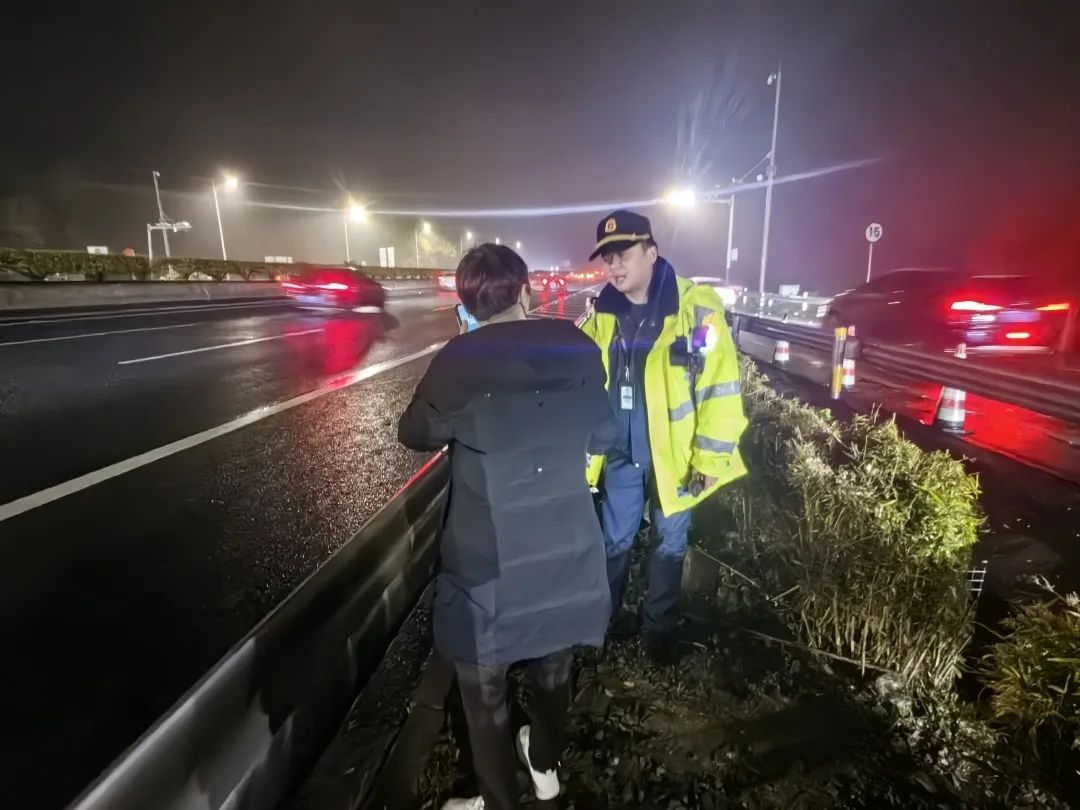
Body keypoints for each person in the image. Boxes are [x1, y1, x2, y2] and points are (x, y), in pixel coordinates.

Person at [398, 243, 619, 810]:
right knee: (554, 668)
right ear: (525, 290)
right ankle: (545, 768)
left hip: (489, 559)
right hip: (566, 545)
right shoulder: (574, 343)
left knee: (486, 694)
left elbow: (416, 432)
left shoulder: (460, 357)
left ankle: (498, 801)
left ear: (465, 302)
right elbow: (605, 435)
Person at [579, 209, 748, 664]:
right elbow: (588, 382)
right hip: (620, 451)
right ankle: (606, 622)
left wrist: (710, 461)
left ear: (651, 252)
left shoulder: (696, 310)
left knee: (669, 543)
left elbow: (720, 388)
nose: (614, 266)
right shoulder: (604, 315)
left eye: (624, 253)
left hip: (674, 456)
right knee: (613, 541)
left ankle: (660, 629)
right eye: (607, 257)